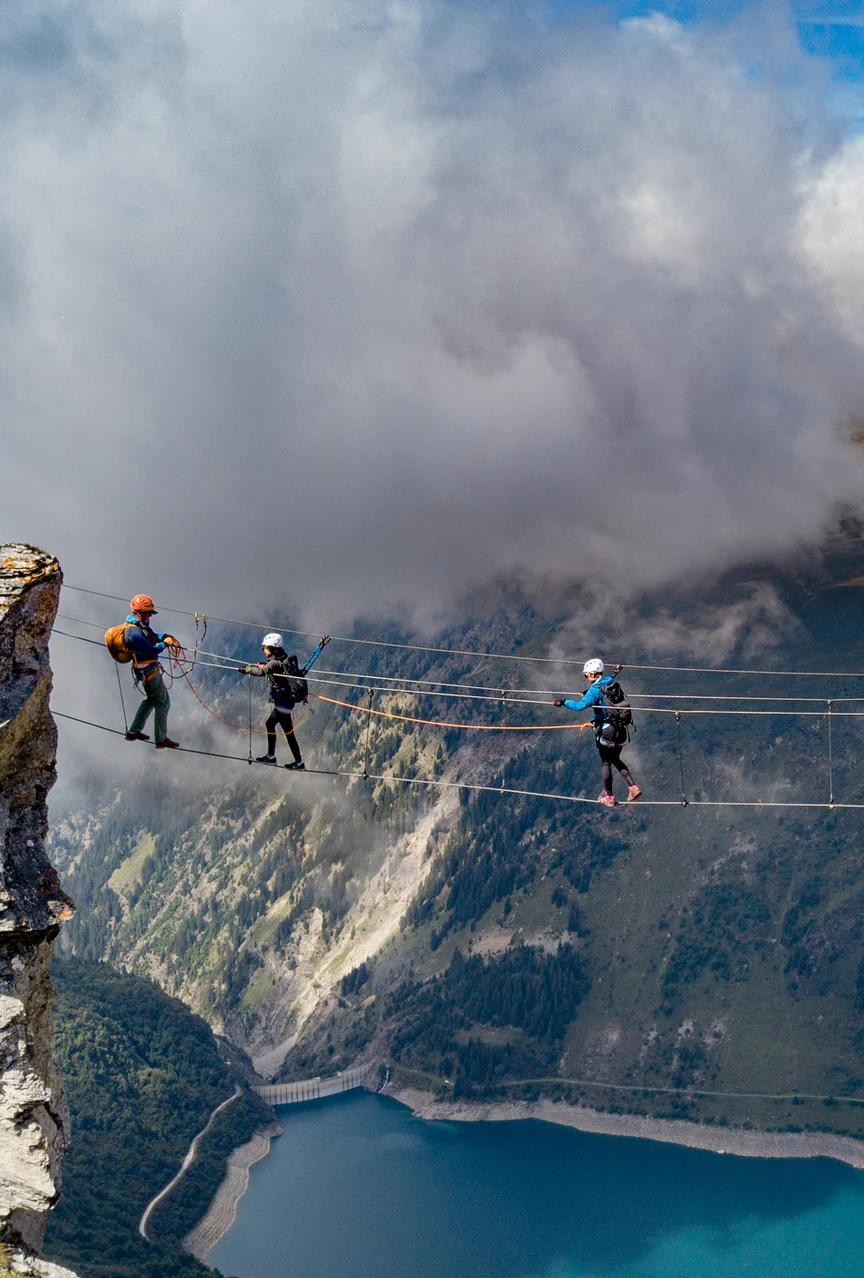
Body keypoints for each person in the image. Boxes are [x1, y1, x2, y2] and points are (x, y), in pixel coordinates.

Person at [552, 659, 641, 807]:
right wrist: (615, 673)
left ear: (592, 674)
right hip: (622, 729)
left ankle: (609, 797)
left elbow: (580, 706)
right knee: (616, 759)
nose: (586, 679)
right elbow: (610, 678)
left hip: (607, 730)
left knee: (606, 762)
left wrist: (563, 702)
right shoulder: (609, 682)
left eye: (586, 676)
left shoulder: (594, 691)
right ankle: (633, 787)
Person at [239, 634, 329, 769]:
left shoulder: (274, 663)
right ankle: (296, 761)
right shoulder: (285, 659)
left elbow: (261, 672)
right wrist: (265, 666)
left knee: (272, 725)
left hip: (282, 704)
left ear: (271, 648)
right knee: (286, 732)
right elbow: (271, 669)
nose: (263, 650)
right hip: (287, 703)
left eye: (264, 648)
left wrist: (246, 669)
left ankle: (273, 757)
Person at [123, 595, 182, 749]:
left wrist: (164, 637)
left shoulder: (139, 627)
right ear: (141, 613)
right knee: (163, 703)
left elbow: (152, 636)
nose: (150, 616)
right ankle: (161, 739)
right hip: (148, 671)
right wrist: (164, 644)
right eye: (148, 613)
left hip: (145, 670)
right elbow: (150, 650)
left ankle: (133, 731)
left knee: (151, 700)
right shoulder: (134, 632)